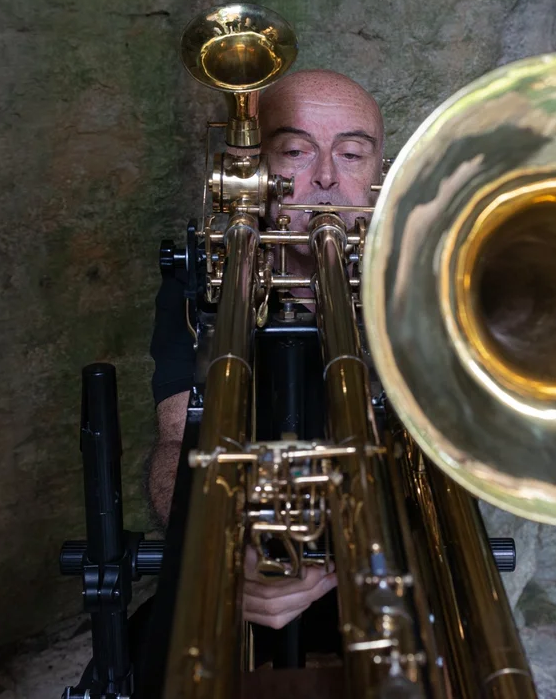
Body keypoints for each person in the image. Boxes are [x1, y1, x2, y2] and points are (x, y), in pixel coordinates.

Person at [147, 68, 385, 632]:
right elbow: (178, 439)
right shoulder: (203, 272)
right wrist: (225, 551)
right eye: (297, 151)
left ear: (382, 172)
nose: (326, 177)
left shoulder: (425, 276)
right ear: (252, 169)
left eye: (352, 154)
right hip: (239, 543)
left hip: (384, 556)